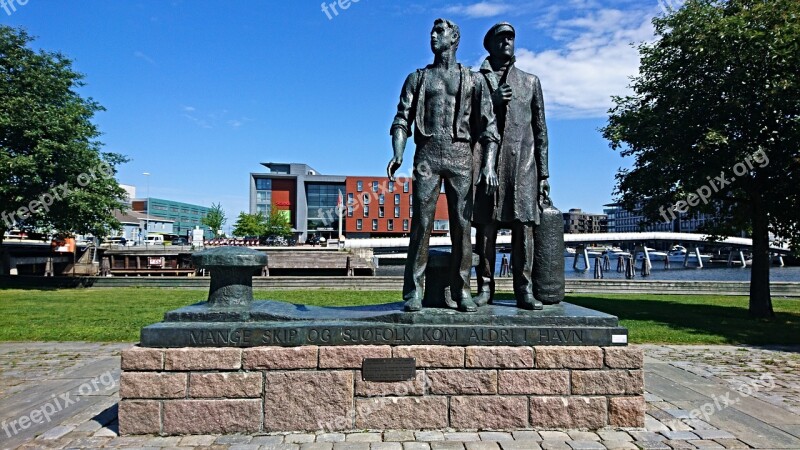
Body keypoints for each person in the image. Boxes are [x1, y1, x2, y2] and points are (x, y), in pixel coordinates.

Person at [388, 18, 500, 312]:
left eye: (440, 32)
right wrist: (398, 153)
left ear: (455, 38)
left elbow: (489, 129)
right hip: (427, 154)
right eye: (432, 32)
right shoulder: (417, 79)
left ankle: (462, 290)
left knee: (462, 227)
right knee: (421, 224)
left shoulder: (474, 80)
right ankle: (414, 291)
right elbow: (402, 119)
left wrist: (488, 166)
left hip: (461, 156)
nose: (433, 36)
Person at [473, 22, 550, 310]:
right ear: (489, 45)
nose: (507, 41)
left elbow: (541, 131)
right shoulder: (476, 81)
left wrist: (544, 174)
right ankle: (484, 287)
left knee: (524, 230)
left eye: (511, 37)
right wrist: (491, 102)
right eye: (501, 37)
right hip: (488, 165)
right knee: (485, 230)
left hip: (523, 166)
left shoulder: (530, 82)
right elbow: (464, 124)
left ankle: (524, 289)